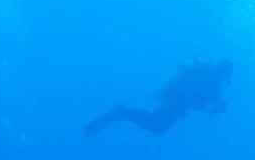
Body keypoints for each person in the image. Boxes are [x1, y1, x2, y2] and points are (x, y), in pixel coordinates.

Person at [83, 59, 233, 137]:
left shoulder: (213, 82)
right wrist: (216, 106)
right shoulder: (208, 78)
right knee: (156, 125)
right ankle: (122, 112)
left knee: (156, 126)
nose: (222, 79)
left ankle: (122, 112)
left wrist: (218, 107)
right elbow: (198, 96)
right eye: (223, 75)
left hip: (176, 103)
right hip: (174, 101)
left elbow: (209, 102)